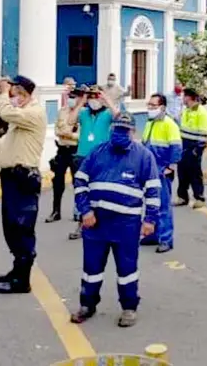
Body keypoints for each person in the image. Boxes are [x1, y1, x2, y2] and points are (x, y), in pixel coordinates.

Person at [70, 113, 159, 327]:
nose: (120, 134)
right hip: (96, 223)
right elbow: (80, 181)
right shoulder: (97, 152)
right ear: (111, 130)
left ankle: (129, 307)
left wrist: (150, 220)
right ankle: (87, 305)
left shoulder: (144, 156)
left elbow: (153, 190)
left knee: (127, 269)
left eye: (124, 130)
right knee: (91, 268)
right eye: (116, 129)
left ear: (132, 132)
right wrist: (85, 211)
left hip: (126, 225)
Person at [0, 76, 47, 295]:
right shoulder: (22, 115)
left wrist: (3, 94)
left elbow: (5, 112)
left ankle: (22, 280)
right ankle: (16, 271)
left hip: (23, 177)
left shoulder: (34, 113)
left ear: (23, 94)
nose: (11, 99)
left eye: (14, 94)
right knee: (11, 227)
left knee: (22, 227)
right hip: (12, 177)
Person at [69, 86, 117, 240]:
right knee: (81, 190)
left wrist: (107, 100)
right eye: (91, 97)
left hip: (102, 157)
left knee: (101, 190)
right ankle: (81, 222)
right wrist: (81, 101)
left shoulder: (107, 114)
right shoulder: (83, 113)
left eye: (95, 97)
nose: (93, 100)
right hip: (82, 157)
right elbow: (70, 121)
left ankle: (102, 223)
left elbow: (119, 116)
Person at [140, 93, 182, 253]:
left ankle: (166, 239)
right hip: (150, 171)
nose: (150, 108)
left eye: (153, 105)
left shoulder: (169, 124)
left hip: (162, 171)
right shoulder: (150, 123)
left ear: (162, 107)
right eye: (149, 105)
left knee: (163, 206)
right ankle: (153, 235)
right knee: (151, 204)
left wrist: (170, 167)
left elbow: (176, 148)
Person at [47, 87, 82, 223]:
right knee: (57, 181)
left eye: (75, 97)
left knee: (78, 182)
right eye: (71, 96)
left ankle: (78, 211)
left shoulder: (83, 113)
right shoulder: (62, 111)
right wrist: (66, 133)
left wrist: (69, 134)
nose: (72, 99)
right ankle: (56, 211)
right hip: (62, 150)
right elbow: (57, 129)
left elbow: (81, 135)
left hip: (75, 150)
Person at [176, 88, 207, 208]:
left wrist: (197, 150)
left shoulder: (202, 113)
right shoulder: (186, 111)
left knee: (195, 173)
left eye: (184, 96)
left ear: (189, 97)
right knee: (182, 172)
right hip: (183, 145)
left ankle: (199, 197)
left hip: (194, 147)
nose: (182, 99)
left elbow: (203, 134)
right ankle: (182, 197)